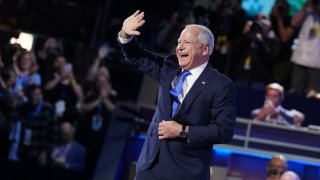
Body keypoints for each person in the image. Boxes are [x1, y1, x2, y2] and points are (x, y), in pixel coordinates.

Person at [118, 10, 236, 180]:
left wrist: (182, 131)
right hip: (151, 165)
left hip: (186, 171)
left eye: (186, 42)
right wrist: (125, 35)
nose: (179, 47)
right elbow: (136, 56)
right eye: (179, 42)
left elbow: (223, 131)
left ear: (205, 49)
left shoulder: (220, 85)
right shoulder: (169, 68)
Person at [290, 0, 320, 97]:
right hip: (300, 57)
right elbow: (294, 23)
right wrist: (305, 6)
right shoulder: (307, 12)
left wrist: (315, 8)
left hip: (316, 61)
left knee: (313, 94)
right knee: (295, 91)